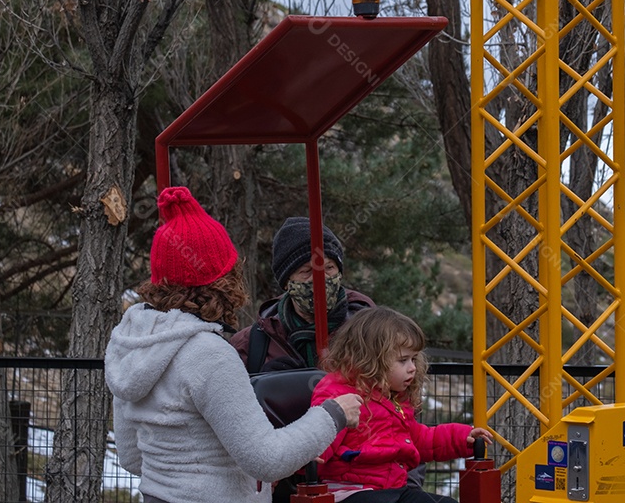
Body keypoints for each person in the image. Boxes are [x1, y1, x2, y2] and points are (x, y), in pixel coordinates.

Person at [105, 186, 363, 503]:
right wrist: (333, 414)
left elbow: (132, 458)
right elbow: (267, 460)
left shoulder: (133, 346)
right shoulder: (209, 355)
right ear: (223, 280)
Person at [311, 307, 493, 503]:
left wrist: (461, 438)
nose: (412, 367)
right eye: (403, 360)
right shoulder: (338, 393)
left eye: (414, 359)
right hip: (350, 491)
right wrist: (310, 454)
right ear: (371, 359)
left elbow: (421, 439)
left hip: (393, 489)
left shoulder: (395, 399)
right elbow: (319, 434)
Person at [230, 216, 374, 373]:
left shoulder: (371, 329)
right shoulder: (252, 345)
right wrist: (266, 384)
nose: (321, 278)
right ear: (286, 282)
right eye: (306, 271)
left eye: (329, 267)